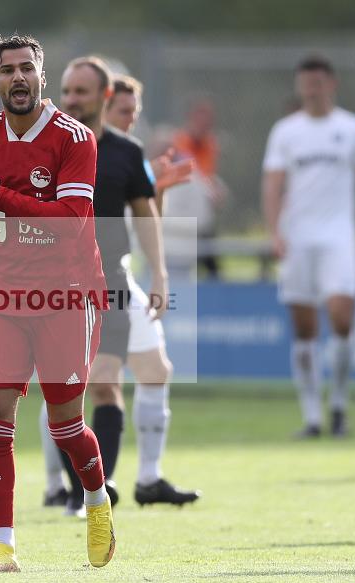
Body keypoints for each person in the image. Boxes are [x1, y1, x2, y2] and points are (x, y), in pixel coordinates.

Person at [0, 34, 115, 573]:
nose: (17, 79)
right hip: (1, 293)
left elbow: (71, 227)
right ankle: (2, 546)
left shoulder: (75, 137)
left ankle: (96, 498)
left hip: (65, 293)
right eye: (7, 71)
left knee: (65, 425)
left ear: (42, 78)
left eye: (27, 69)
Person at [39, 67, 199, 515]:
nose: (70, 99)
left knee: (107, 383)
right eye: (66, 90)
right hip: (53, 284)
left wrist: (161, 275)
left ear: (102, 96)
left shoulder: (126, 152)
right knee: (68, 391)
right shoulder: (44, 143)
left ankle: (96, 491)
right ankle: (69, 488)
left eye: (81, 91)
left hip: (109, 281)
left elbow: (145, 215)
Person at [261, 55, 355, 438]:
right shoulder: (286, 131)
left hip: (339, 237)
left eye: (317, 82)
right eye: (305, 83)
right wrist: (274, 231)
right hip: (298, 238)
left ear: (332, 84)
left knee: (342, 315)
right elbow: (272, 184)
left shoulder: (352, 129)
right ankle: (313, 416)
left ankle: (340, 405)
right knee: (304, 328)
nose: (311, 89)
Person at [169, 95, 226, 279]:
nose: (204, 123)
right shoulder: (179, 142)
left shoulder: (210, 144)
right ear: (190, 117)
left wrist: (214, 189)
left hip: (201, 211)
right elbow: (192, 173)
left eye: (208, 118)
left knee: (211, 262)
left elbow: (207, 174)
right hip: (179, 213)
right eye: (200, 117)